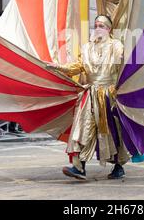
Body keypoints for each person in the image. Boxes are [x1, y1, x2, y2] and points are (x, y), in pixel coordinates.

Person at [50, 15, 128, 180]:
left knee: (112, 131)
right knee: (82, 129)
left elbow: (126, 65)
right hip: (90, 94)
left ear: (108, 29)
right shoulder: (86, 48)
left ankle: (118, 165)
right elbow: (77, 67)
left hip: (109, 95)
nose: (98, 28)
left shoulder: (116, 46)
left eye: (102, 25)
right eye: (96, 25)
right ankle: (79, 167)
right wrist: (58, 68)